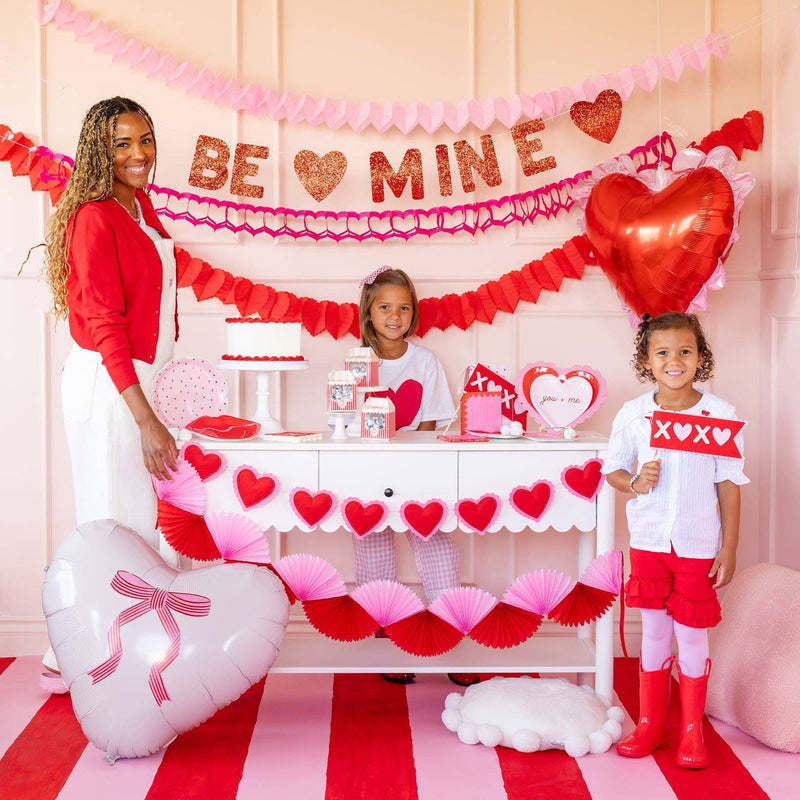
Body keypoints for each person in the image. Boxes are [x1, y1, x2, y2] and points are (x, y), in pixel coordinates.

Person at [38, 97, 180, 692]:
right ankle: (74, 658)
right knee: (111, 522)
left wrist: (163, 391)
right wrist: (145, 418)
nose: (138, 154)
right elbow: (105, 325)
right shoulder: (95, 215)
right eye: (122, 143)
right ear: (100, 149)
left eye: (144, 139)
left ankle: (123, 652)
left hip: (139, 383)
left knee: (140, 522)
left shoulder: (141, 207)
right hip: (109, 384)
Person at [602, 312, 748, 769]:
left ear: (700, 357)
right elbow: (613, 472)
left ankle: (690, 730)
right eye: (662, 352)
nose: (675, 360)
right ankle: (651, 723)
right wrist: (637, 482)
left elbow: (729, 483)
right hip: (648, 540)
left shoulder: (720, 416)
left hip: (697, 543)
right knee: (654, 633)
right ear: (646, 360)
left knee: (691, 635)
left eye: (685, 351)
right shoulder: (634, 414)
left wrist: (729, 547)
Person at [354, 266, 476, 686]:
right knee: (372, 545)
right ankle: (386, 630)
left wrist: (408, 456)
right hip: (369, 467)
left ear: (413, 313)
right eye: (385, 307)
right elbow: (349, 421)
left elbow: (433, 421)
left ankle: (449, 626)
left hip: (418, 467)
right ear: (369, 312)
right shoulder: (358, 363)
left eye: (403, 308)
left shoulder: (424, 361)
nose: (394, 316)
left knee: (434, 542)